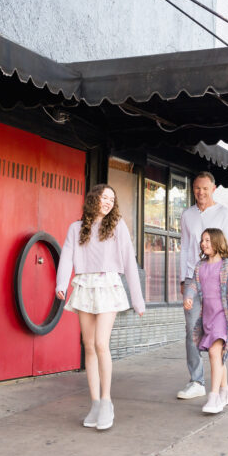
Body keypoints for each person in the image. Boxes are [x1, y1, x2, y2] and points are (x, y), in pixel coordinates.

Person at [56, 184, 144, 431]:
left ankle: (106, 401)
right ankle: (94, 403)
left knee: (101, 344)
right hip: (85, 284)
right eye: (104, 197)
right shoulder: (76, 228)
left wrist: (137, 300)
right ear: (94, 199)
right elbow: (67, 256)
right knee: (88, 345)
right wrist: (61, 284)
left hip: (108, 284)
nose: (108, 202)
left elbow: (129, 261)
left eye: (112, 199)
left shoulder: (118, 226)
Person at [177, 171, 228, 400]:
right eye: (197, 188)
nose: (200, 192)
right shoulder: (187, 215)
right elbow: (186, 248)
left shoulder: (223, 213)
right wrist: (183, 279)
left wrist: (225, 273)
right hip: (193, 276)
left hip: (217, 277)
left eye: (205, 188)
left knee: (221, 327)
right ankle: (196, 380)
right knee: (192, 329)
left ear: (213, 189)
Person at [184, 228, 228, 414]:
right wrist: (189, 296)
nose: (203, 244)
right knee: (215, 356)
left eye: (207, 240)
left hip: (222, 317)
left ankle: (214, 397)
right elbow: (192, 283)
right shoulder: (200, 265)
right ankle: (225, 391)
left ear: (217, 242)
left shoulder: (227, 267)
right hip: (207, 316)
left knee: (216, 352)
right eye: (202, 240)